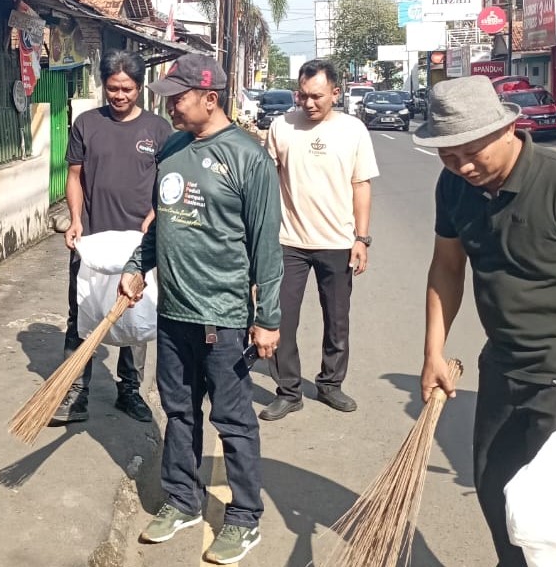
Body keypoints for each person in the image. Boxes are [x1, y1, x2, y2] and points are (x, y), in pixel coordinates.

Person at [414, 75, 556, 567]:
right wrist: (432, 353)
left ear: (507, 129)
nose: (462, 165)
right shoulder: (455, 185)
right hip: (503, 368)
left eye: (471, 151)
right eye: (447, 154)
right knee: (496, 490)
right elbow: (447, 265)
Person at [119, 54, 282, 565]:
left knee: (233, 422)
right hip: (175, 312)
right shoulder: (172, 147)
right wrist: (135, 264)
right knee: (180, 411)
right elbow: (160, 222)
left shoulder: (247, 159)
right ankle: (183, 501)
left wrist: (268, 318)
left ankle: (244, 518)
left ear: (210, 99)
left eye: (178, 96)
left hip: (224, 317)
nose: (168, 104)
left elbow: (266, 247)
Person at [53, 49, 172, 424]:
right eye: (113, 88)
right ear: (103, 85)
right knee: (82, 313)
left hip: (140, 243)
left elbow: (168, 181)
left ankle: (129, 391)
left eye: (127, 89)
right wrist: (74, 219)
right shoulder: (87, 124)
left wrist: (156, 213)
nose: (119, 96)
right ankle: (75, 394)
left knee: (134, 316)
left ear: (139, 88)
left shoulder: (158, 129)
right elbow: (74, 176)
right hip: (91, 238)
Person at [259, 59, 379, 421]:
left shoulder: (354, 130)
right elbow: (267, 181)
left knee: (337, 318)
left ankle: (330, 384)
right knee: (282, 319)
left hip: (338, 241)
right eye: (303, 96)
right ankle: (288, 390)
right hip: (288, 241)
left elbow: (361, 185)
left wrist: (361, 238)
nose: (309, 104)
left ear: (335, 94)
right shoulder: (281, 127)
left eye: (317, 97)